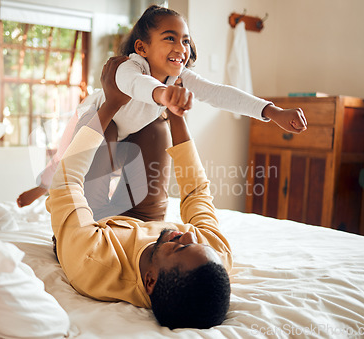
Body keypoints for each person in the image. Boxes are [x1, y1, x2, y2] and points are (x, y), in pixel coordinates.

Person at [17, 4, 307, 208]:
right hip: (96, 127)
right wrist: (163, 96)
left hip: (131, 137)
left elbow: (219, 93)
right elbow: (135, 86)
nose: (181, 48)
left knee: (154, 136)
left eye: (185, 41)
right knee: (66, 158)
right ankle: (43, 188)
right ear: (142, 47)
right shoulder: (129, 67)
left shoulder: (179, 77)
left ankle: (129, 212)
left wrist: (272, 112)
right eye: (170, 39)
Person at [47, 55, 232, 329]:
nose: (190, 234)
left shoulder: (92, 261)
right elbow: (197, 193)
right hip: (145, 221)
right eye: (196, 242)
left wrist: (111, 103)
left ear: (150, 281)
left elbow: (65, 183)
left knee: (104, 126)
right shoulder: (212, 258)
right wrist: (176, 115)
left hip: (96, 226)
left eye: (180, 246)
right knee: (157, 128)